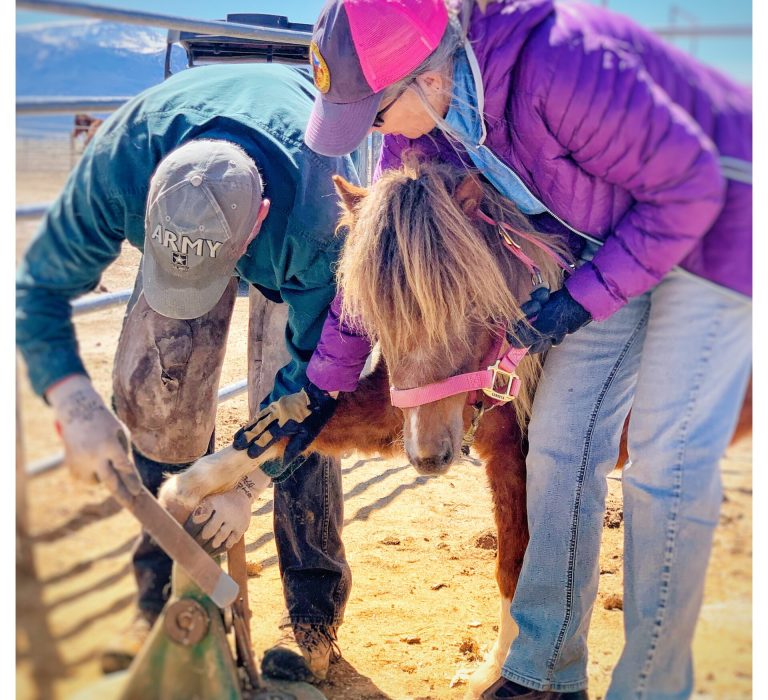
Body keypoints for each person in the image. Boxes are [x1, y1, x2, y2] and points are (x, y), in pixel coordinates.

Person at [298, 0, 752, 698]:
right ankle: (543, 675)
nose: (375, 132)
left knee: (664, 460)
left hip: (719, 220)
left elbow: (689, 189)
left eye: (375, 112)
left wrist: (578, 300)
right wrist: (328, 375)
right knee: (560, 447)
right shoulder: (417, 130)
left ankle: (654, 687)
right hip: (610, 251)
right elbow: (384, 264)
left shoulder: (557, 62)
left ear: (423, 77)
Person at [16, 62, 359, 683]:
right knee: (158, 392)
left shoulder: (318, 222)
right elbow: (38, 289)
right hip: (201, 203)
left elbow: (321, 377)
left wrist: (245, 480)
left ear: (256, 221)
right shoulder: (119, 166)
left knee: (289, 408)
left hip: (290, 230)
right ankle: (159, 599)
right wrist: (72, 398)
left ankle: (310, 619)